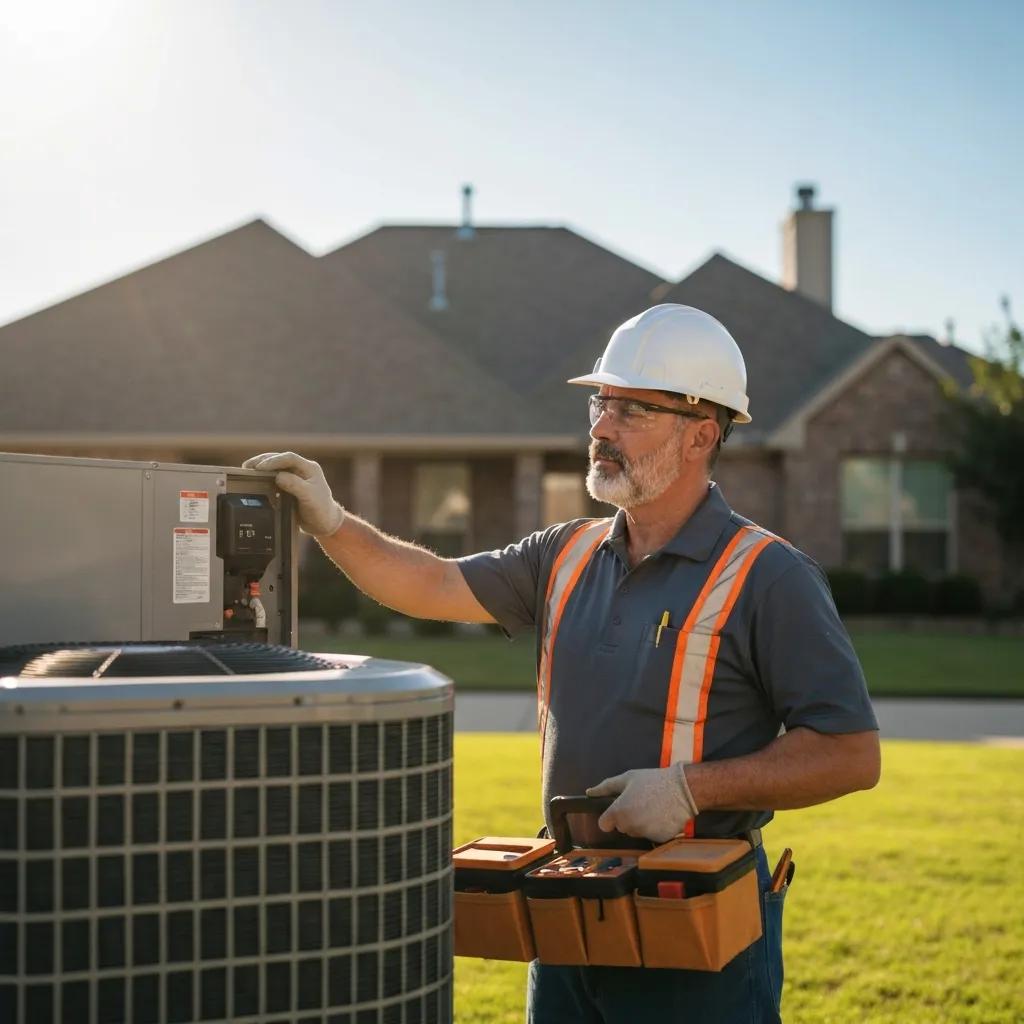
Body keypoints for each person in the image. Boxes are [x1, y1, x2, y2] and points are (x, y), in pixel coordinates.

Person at [244, 303, 881, 1024]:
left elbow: (851, 753)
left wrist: (691, 788)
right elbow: (429, 583)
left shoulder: (770, 576)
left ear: (703, 433)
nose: (602, 428)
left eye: (633, 410)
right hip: (569, 905)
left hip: (693, 924)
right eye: (599, 404)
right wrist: (331, 521)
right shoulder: (565, 554)